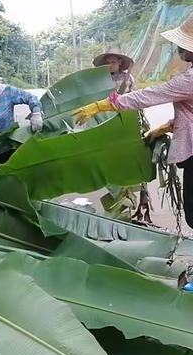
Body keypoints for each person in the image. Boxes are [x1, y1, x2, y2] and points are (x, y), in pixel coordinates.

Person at [74, 13, 193, 228]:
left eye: (183, 45)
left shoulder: (189, 79)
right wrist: (168, 126)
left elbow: (150, 95)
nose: (180, 50)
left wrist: (105, 104)